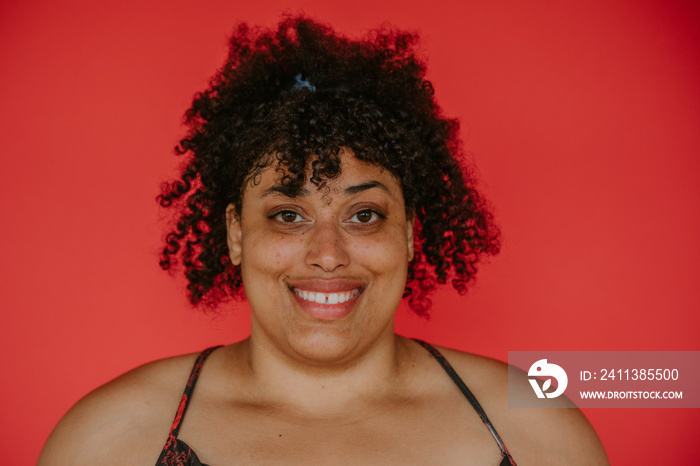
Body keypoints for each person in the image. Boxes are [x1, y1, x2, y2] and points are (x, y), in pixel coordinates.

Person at [38, 16, 609, 465]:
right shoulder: (110, 440)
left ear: (411, 234)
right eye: (288, 214)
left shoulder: (536, 428)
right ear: (237, 233)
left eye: (364, 215)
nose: (328, 253)